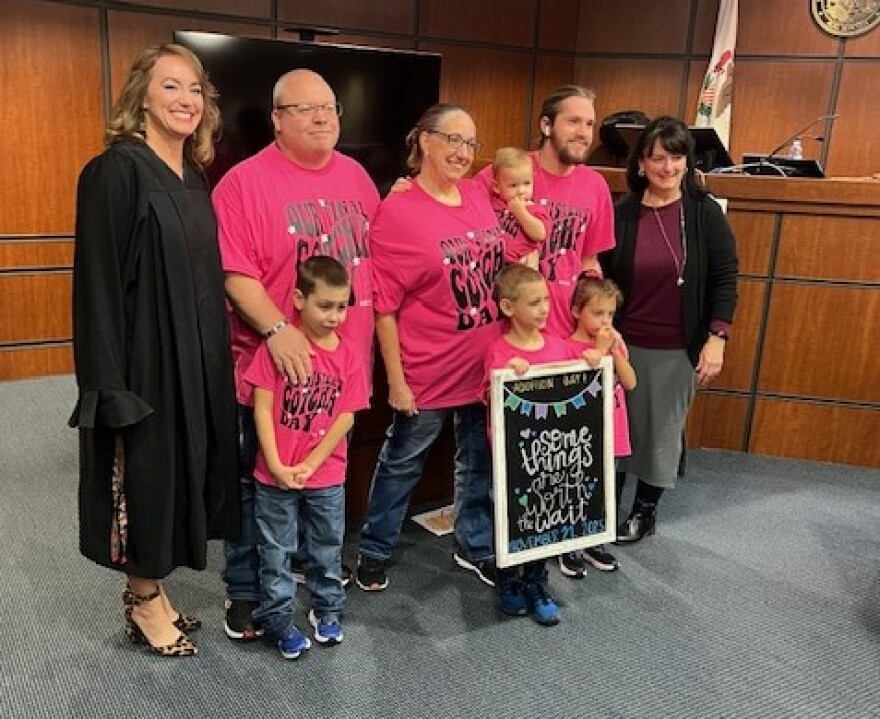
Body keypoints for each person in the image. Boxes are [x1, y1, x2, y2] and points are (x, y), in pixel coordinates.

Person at [69, 43, 239, 657]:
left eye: (195, 89)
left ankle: (155, 589)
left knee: (180, 475)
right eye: (171, 87)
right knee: (145, 475)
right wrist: (107, 385)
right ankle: (142, 600)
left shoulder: (193, 176)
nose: (186, 101)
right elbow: (97, 288)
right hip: (144, 363)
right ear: (141, 95)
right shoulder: (115, 171)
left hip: (194, 360)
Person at [212, 69, 379, 640]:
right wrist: (279, 327)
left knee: (323, 487)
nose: (321, 118)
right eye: (305, 109)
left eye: (329, 107)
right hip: (269, 377)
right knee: (258, 488)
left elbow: (378, 262)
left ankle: (315, 578)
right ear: (277, 118)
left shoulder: (359, 178)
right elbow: (235, 273)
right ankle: (245, 590)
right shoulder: (242, 183)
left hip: (340, 375)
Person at [355, 103, 506, 592]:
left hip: (484, 365)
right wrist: (396, 381)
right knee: (401, 462)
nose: (462, 152)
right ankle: (374, 549)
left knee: (478, 461)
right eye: (452, 139)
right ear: (424, 140)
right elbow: (385, 307)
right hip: (428, 372)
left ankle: (475, 545)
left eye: (470, 143)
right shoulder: (397, 211)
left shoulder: (479, 196)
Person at [600, 116, 738, 542]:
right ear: (641, 162)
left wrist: (717, 338)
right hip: (621, 342)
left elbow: (725, 277)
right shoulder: (621, 212)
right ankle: (603, 513)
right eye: (658, 158)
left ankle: (645, 511)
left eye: (676, 157)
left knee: (660, 432)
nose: (668, 167)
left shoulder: (703, 213)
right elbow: (600, 277)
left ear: (687, 161)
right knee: (613, 430)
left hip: (678, 347)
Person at [244, 256, 368, 659]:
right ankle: (278, 620)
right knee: (275, 551)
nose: (334, 316)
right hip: (274, 475)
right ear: (299, 299)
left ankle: (327, 609)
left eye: (342, 306)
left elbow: (346, 415)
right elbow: (261, 408)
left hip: (326, 475)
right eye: (325, 306)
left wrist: (314, 462)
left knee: (327, 547)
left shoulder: (349, 355)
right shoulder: (277, 351)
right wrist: (277, 464)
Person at [481, 264, 582, 625]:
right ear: (508, 308)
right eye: (534, 303)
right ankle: (508, 581)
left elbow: (581, 390)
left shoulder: (560, 348)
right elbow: (491, 399)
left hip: (552, 460)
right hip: (512, 459)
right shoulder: (499, 352)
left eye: (546, 301)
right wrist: (510, 375)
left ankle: (537, 583)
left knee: (542, 520)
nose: (544, 309)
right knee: (511, 518)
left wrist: (588, 361)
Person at [475, 85, 616, 339]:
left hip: (564, 334)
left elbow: (589, 262)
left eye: (589, 124)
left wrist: (601, 323)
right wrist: (407, 189)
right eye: (573, 122)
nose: (583, 133)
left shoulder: (596, 186)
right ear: (546, 125)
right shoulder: (506, 172)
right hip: (501, 331)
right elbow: (453, 210)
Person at [567, 274, 637, 573]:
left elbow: (630, 382)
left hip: (611, 426)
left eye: (610, 313)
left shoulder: (614, 345)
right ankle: (568, 545)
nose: (605, 320)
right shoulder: (566, 347)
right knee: (575, 485)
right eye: (597, 313)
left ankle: (594, 541)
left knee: (603, 485)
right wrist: (597, 350)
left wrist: (613, 350)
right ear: (576, 312)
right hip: (582, 432)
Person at [489, 147, 552, 269]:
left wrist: (520, 212)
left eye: (527, 183)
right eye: (513, 185)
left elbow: (540, 234)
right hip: (495, 264)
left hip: (522, 265)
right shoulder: (493, 204)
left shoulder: (533, 209)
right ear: (497, 187)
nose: (521, 191)